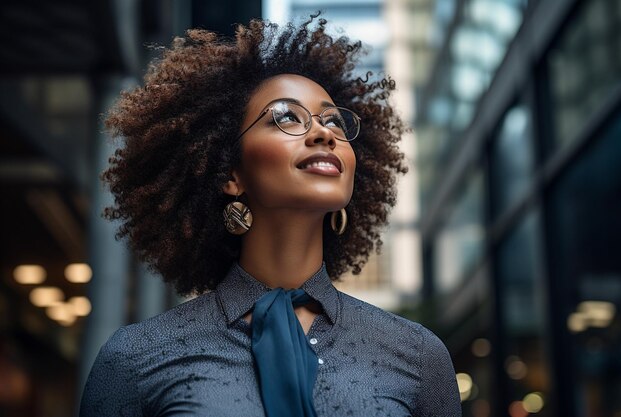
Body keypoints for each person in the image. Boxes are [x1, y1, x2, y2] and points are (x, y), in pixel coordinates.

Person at [80, 14, 461, 417]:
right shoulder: (137, 359)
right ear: (230, 174)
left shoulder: (417, 356)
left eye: (333, 120)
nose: (324, 133)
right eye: (287, 117)